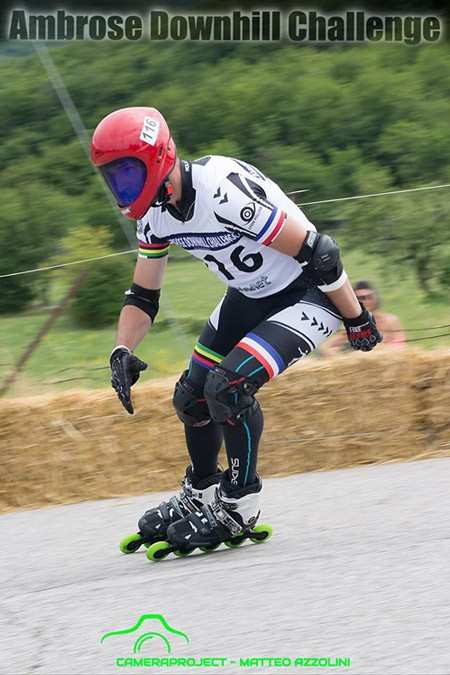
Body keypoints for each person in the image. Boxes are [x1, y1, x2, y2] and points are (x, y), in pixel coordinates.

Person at [90, 106, 383, 553]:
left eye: (127, 174)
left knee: (227, 387)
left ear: (159, 160)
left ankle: (239, 504)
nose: (121, 188)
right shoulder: (154, 214)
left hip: (307, 292)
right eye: (112, 178)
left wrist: (357, 318)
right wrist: (121, 350)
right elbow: (143, 295)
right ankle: (203, 492)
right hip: (248, 294)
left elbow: (320, 253)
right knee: (191, 397)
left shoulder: (221, 194)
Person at [320, 280, 405, 355]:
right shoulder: (353, 325)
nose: (365, 301)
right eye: (360, 298)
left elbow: (400, 345)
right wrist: (340, 359)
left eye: (369, 297)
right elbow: (325, 347)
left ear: (375, 299)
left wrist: (383, 351)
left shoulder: (390, 321)